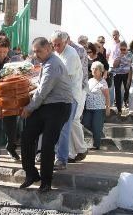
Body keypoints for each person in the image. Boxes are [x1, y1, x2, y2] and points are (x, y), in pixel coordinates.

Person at [19, 37, 72, 193]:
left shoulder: (53, 64)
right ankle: (31, 174)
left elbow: (43, 91)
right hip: (45, 105)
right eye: (34, 51)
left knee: (48, 145)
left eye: (39, 51)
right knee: (27, 137)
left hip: (58, 107)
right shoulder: (46, 63)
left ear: (48, 49)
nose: (36, 54)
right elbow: (41, 89)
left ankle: (46, 182)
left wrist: (29, 108)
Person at [51, 31, 81, 170]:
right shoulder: (57, 53)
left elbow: (63, 77)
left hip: (70, 96)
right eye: (54, 45)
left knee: (64, 127)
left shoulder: (71, 54)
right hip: (58, 95)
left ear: (66, 42)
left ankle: (62, 159)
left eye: (58, 44)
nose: (56, 47)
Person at [0, 36, 20, 163]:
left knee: (11, 127)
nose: (2, 54)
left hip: (9, 97)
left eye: (5, 52)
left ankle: (11, 148)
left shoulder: (9, 60)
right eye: (0, 51)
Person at [67, 36, 89, 162]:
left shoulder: (78, 50)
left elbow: (72, 69)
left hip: (79, 88)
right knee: (69, 120)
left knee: (74, 118)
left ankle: (79, 149)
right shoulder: (64, 50)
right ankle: (76, 151)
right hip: (70, 90)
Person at [82, 61, 110, 150]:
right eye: (93, 68)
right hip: (88, 107)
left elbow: (107, 96)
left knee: (97, 126)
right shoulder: (90, 80)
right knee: (85, 123)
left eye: (96, 69)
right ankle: (97, 133)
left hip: (99, 108)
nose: (94, 70)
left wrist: (108, 107)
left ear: (101, 71)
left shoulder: (103, 82)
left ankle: (96, 144)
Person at [112, 41, 132, 115]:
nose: (122, 51)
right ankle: (119, 108)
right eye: (121, 49)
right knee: (117, 90)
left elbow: (129, 64)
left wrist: (122, 59)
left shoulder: (130, 54)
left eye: (124, 49)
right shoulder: (117, 54)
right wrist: (119, 58)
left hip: (126, 74)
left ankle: (125, 102)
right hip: (117, 74)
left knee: (127, 88)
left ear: (127, 49)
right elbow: (114, 65)